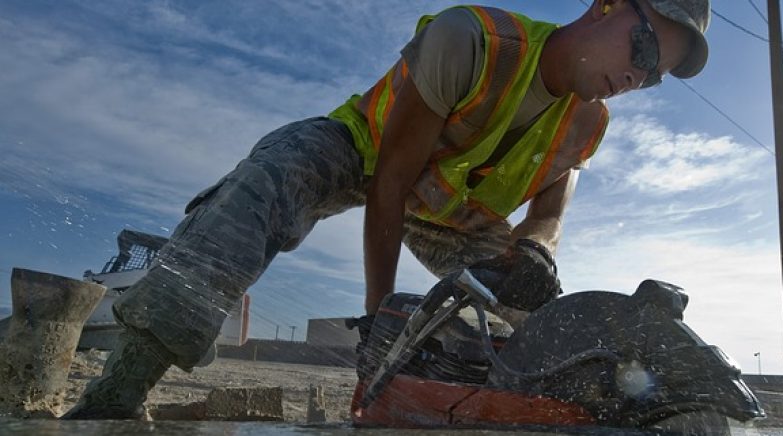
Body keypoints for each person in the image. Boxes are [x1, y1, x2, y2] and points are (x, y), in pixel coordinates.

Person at [64, 0, 711, 419]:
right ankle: (121, 386)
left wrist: (538, 246)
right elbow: (391, 182)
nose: (638, 78)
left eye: (653, 77)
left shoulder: (588, 122)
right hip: (365, 153)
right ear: (607, 7)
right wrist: (378, 322)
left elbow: (553, 201)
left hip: (451, 207)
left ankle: (540, 412)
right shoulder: (475, 40)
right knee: (268, 181)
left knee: (538, 306)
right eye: (645, 52)